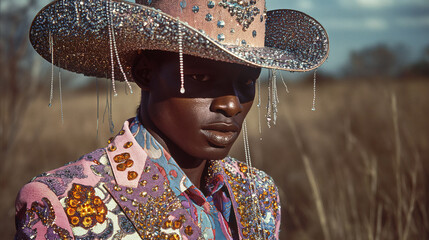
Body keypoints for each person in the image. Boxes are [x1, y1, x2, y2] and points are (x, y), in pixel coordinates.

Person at [15, 0, 328, 239]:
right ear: (146, 74)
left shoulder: (257, 192)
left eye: (247, 82)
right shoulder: (61, 202)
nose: (232, 104)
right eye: (201, 77)